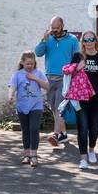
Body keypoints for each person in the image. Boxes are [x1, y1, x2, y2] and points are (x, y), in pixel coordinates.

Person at [69, 30, 98, 168]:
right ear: (82, 42)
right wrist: (77, 68)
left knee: (94, 129)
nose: (88, 43)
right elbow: (69, 75)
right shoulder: (78, 56)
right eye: (86, 40)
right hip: (80, 99)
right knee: (82, 128)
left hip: (96, 99)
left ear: (96, 41)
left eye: (91, 40)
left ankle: (91, 150)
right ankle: (83, 158)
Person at [34, 17, 79, 147]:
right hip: (49, 78)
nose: (54, 31)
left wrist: (74, 74)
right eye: (52, 28)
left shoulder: (72, 40)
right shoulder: (48, 39)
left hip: (64, 78)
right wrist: (44, 39)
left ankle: (55, 135)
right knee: (54, 108)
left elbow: (76, 58)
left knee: (60, 106)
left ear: (63, 25)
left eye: (57, 28)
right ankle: (63, 134)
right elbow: (38, 53)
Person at [7, 51, 48, 166]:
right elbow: (12, 86)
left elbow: (47, 86)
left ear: (35, 63)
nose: (30, 66)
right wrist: (10, 96)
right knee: (25, 131)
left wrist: (35, 78)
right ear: (22, 63)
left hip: (36, 106)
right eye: (27, 64)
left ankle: (34, 155)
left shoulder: (38, 73)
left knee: (34, 128)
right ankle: (26, 154)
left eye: (32, 63)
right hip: (22, 107)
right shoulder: (17, 74)